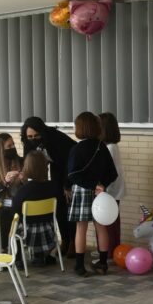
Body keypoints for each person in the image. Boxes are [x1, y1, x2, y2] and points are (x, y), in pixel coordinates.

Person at [66, 112, 118, 277]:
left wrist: (91, 185)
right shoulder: (102, 147)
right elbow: (113, 173)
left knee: (81, 228)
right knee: (101, 227)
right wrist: (101, 185)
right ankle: (103, 264)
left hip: (82, 190)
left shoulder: (76, 148)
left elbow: (72, 174)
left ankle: (80, 266)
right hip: (100, 193)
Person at [21, 116, 76, 252]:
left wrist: (67, 185)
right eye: (30, 137)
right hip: (55, 167)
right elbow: (28, 161)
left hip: (69, 168)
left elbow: (69, 163)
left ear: (42, 132)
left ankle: (73, 242)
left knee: (68, 205)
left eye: (36, 136)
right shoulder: (28, 141)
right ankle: (65, 240)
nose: (33, 139)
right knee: (59, 207)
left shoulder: (56, 138)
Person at [12, 151, 61, 265]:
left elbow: (16, 211)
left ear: (27, 168)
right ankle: (43, 256)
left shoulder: (23, 190)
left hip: (28, 233)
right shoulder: (54, 186)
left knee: (14, 224)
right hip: (48, 230)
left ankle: (19, 260)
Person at [99, 113, 125, 259]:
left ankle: (109, 252)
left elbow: (108, 172)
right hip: (113, 190)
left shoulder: (109, 148)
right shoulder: (112, 146)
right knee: (112, 222)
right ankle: (113, 251)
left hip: (110, 190)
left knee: (108, 223)